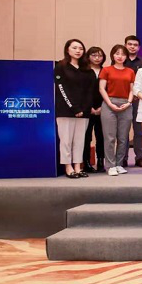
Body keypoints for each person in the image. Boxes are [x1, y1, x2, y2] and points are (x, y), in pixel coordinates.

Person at [55, 39, 96, 179]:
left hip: (84, 112)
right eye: (74, 48)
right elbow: (61, 89)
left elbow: (90, 92)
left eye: (80, 48)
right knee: (66, 140)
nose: (78, 51)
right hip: (66, 110)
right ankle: (68, 167)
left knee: (80, 141)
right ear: (67, 49)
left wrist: (85, 108)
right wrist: (74, 108)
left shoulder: (88, 70)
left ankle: (78, 166)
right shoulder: (60, 67)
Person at [99, 44, 136, 176]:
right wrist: (109, 103)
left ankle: (119, 164)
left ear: (126, 57)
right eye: (117, 53)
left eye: (123, 54)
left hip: (126, 104)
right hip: (109, 103)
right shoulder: (106, 70)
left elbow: (132, 90)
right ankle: (110, 165)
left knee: (123, 137)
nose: (120, 56)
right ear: (112, 55)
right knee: (109, 137)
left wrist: (129, 102)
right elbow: (101, 88)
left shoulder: (130, 71)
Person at [123, 35, 142, 168]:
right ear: (125, 45)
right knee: (123, 131)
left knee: (139, 131)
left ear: (139, 47)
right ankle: (123, 158)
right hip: (123, 101)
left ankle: (139, 157)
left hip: (139, 101)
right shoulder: (120, 61)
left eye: (135, 45)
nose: (132, 47)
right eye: (130, 44)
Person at [83, 46, 106, 173]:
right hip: (87, 109)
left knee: (101, 136)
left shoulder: (105, 70)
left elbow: (109, 90)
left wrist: (103, 106)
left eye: (100, 56)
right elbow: (81, 91)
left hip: (103, 107)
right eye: (94, 55)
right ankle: (86, 162)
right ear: (88, 56)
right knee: (87, 137)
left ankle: (101, 161)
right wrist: (89, 107)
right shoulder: (83, 71)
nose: (97, 58)